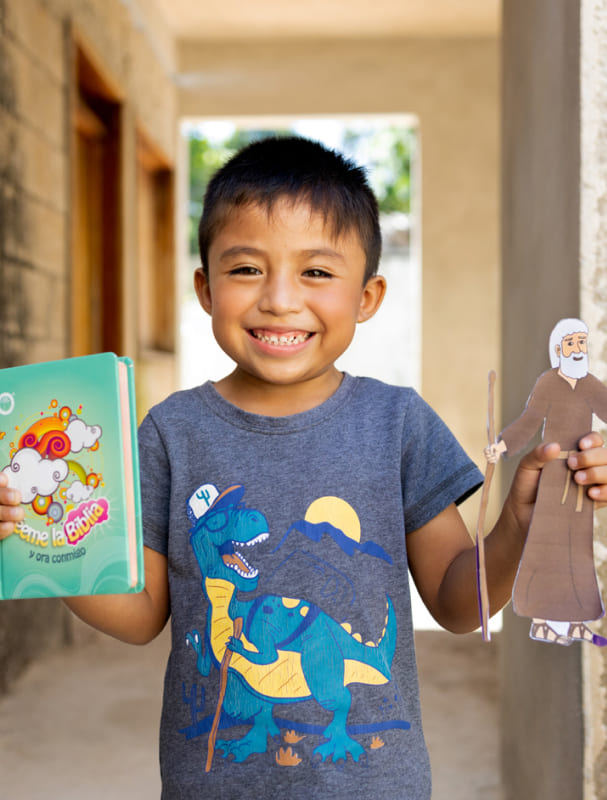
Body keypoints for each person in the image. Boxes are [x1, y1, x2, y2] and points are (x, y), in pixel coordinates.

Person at [1, 137, 607, 799]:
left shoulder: (396, 421)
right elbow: (142, 614)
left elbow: (459, 606)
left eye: (316, 272)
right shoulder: (169, 432)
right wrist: (39, 546)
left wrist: (521, 524)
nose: (280, 300)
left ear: (368, 295)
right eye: (245, 270)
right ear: (204, 287)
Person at [486, 318, 607, 646]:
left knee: (577, 551)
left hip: (578, 482)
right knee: (546, 549)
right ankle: (544, 623)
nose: (578, 349)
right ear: (558, 350)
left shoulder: (591, 385)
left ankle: (576, 621)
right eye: (571, 344)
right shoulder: (547, 384)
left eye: (582, 343)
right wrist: (501, 445)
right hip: (553, 475)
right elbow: (528, 422)